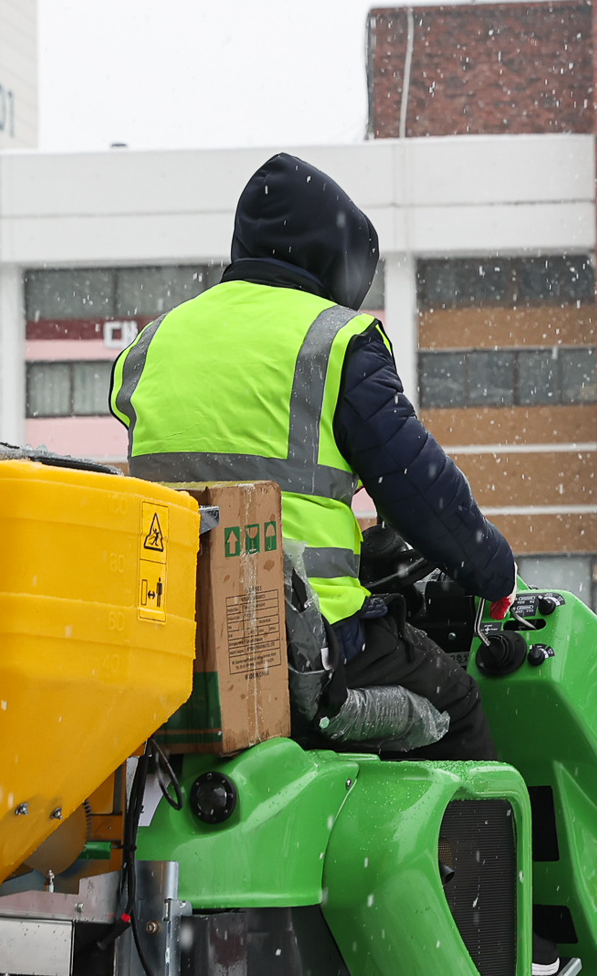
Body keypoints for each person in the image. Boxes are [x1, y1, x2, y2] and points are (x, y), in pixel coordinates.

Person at [111, 152, 513, 759]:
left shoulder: (154, 340)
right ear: (332, 255)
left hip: (181, 638)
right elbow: (416, 487)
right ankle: (458, 858)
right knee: (454, 704)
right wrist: (491, 568)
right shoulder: (334, 340)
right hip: (309, 638)